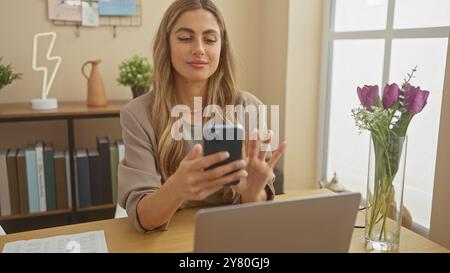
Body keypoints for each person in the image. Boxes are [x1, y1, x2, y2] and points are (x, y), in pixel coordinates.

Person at [118, 0, 287, 233]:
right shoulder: (138, 114)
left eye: (209, 39)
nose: (199, 48)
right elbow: (144, 218)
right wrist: (177, 188)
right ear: (166, 45)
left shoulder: (249, 107)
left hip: (231, 235)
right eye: (185, 38)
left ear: (221, 48)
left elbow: (256, 211)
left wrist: (252, 193)